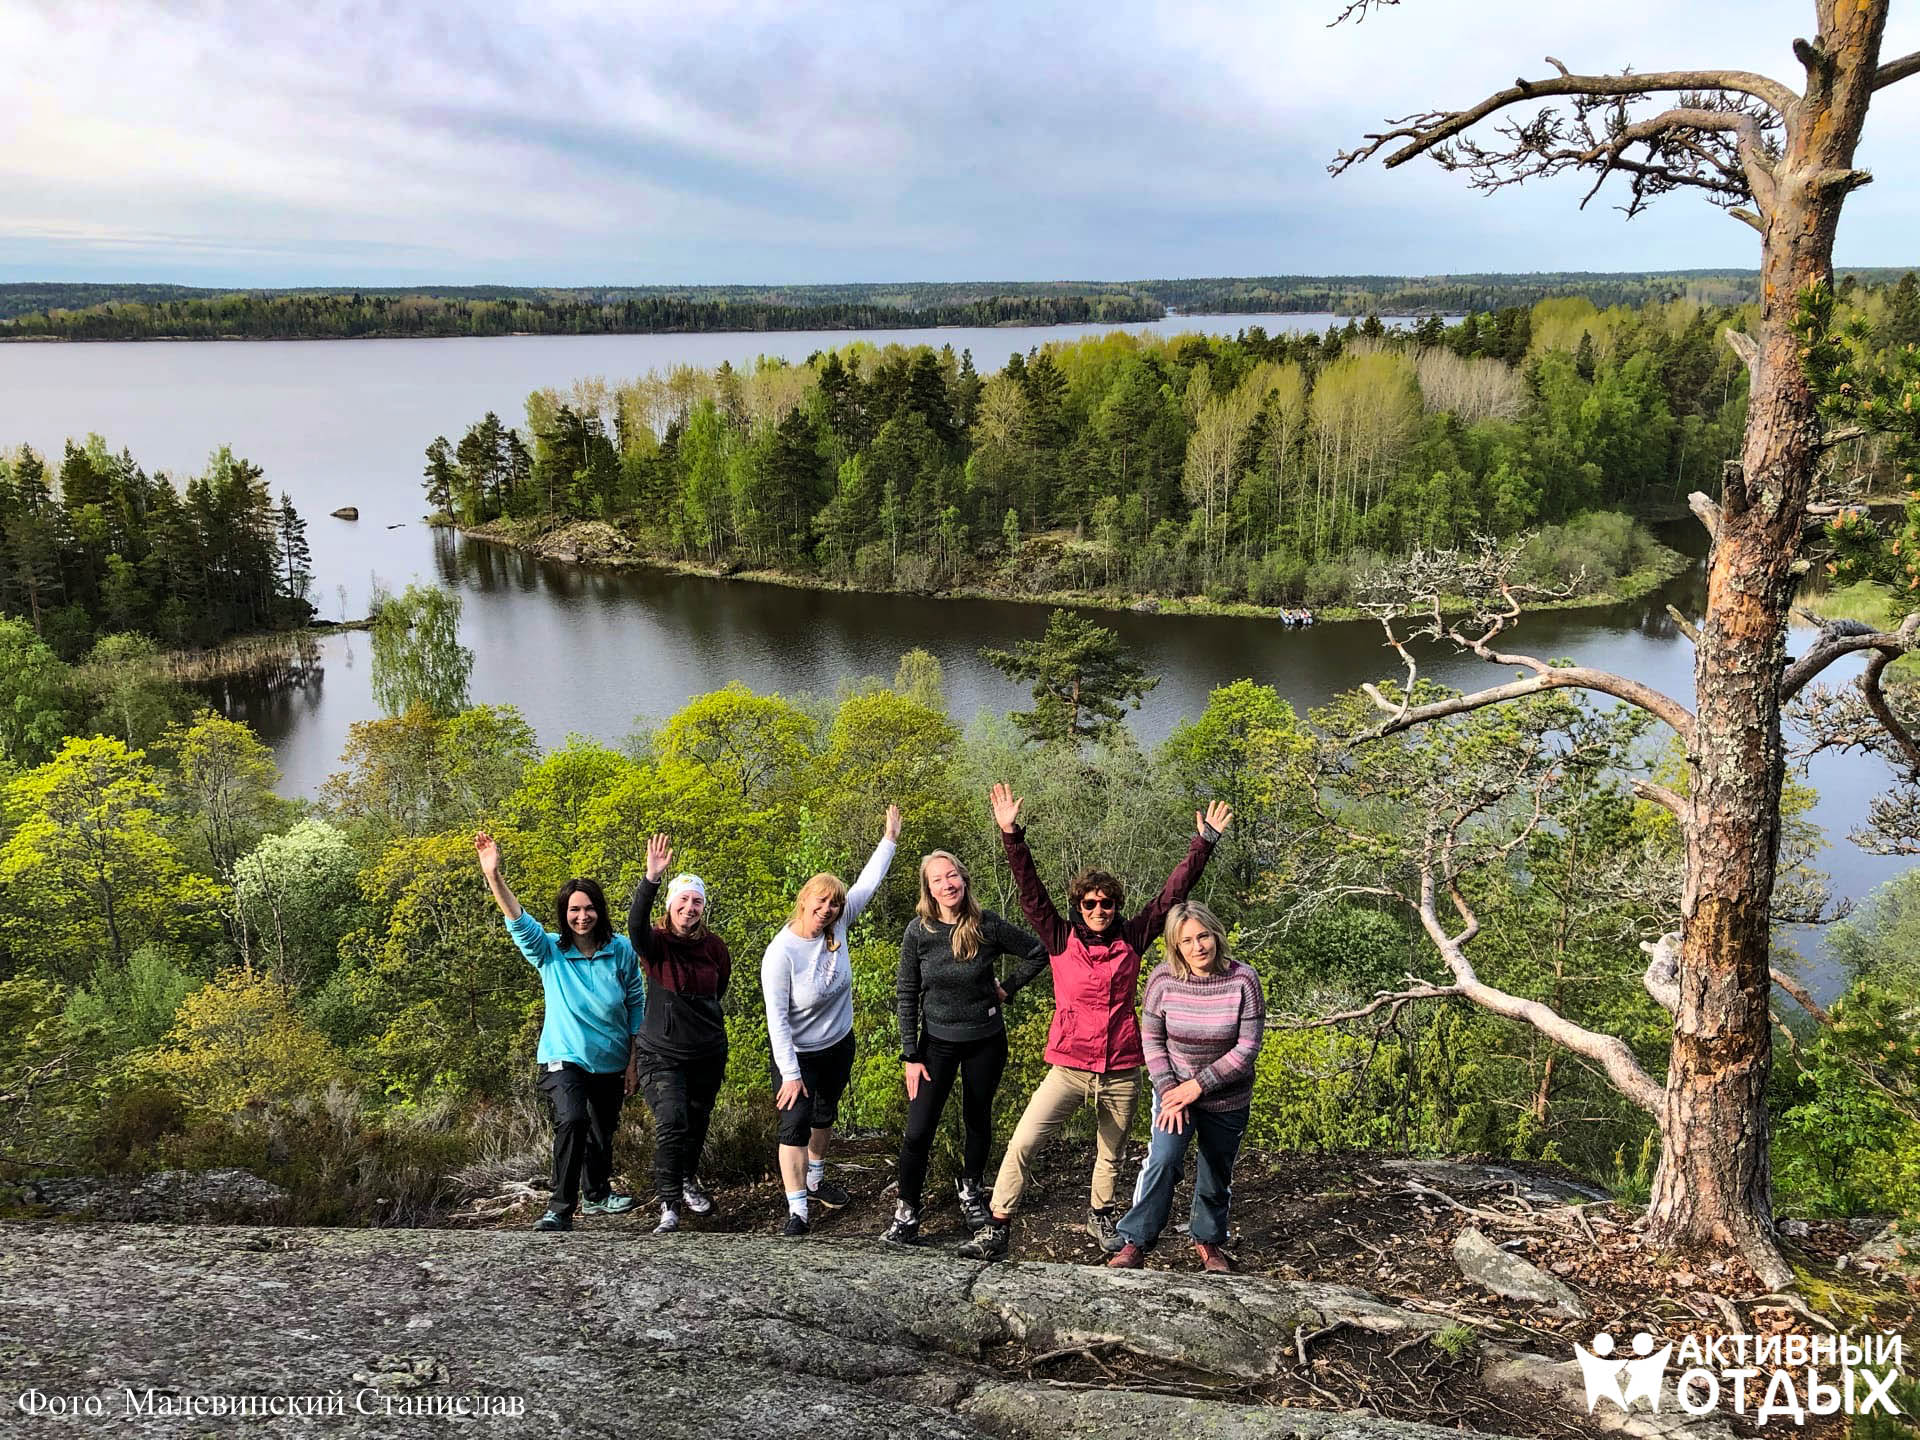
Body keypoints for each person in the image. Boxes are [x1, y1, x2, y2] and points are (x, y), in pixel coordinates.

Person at [957, 784, 1233, 1261]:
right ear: (1078, 906)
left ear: (1116, 906)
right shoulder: (1060, 937)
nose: (1099, 911)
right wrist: (1010, 834)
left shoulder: (1134, 936)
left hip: (1122, 1068)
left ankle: (1101, 1213)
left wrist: (1203, 842)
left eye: (1106, 903)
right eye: (1090, 903)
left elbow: (1173, 896)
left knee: (1112, 1153)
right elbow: (1030, 890)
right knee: (1023, 1142)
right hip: (1068, 1067)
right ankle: (998, 1222)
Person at [475, 832, 646, 1233]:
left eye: (588, 909)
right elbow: (517, 919)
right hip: (563, 1056)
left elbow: (636, 1001)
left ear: (599, 912)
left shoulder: (619, 949)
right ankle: (559, 1208)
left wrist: (634, 1060)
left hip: (612, 1056)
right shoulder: (549, 950)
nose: (581, 916)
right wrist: (494, 875)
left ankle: (598, 1193)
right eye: (573, 910)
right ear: (564, 913)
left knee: (603, 1128)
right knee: (572, 1121)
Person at [881, 848, 1050, 1246]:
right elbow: (907, 993)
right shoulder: (918, 932)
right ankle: (907, 1211)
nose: (947, 883)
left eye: (952, 875)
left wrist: (1007, 988)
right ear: (929, 888)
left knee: (978, 1120)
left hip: (985, 1041)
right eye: (938, 879)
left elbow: (1039, 951)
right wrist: (910, 1054)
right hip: (935, 1045)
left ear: (964, 879)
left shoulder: (986, 924)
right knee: (918, 1130)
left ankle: (970, 1191)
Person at [762, 804, 902, 1237]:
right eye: (821, 901)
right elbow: (777, 1020)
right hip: (797, 1055)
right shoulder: (780, 953)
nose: (828, 909)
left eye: (834, 904)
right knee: (794, 1125)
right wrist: (789, 1074)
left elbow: (868, 882)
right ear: (804, 900)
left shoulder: (838, 926)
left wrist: (890, 839)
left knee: (824, 1116)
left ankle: (817, 1181)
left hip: (837, 1043)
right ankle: (798, 1211)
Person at [1106, 900, 1265, 1274]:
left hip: (1227, 1096)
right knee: (1163, 1159)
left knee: (1215, 1170)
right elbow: (1152, 1040)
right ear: (1176, 947)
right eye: (1187, 941)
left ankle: (1207, 1241)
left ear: (1216, 935)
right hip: (1174, 1093)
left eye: (1203, 936)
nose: (1198, 947)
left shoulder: (1244, 980)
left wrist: (1200, 1085)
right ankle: (1136, 1241)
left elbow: (1248, 1047)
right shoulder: (1163, 979)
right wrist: (1169, 1090)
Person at [628, 833, 732, 1235]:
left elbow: (718, 989)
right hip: (661, 1052)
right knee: (671, 1120)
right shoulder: (656, 945)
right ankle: (669, 1203)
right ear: (670, 905)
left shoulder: (715, 947)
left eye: (697, 901)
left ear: (703, 908)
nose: (690, 908)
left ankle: (688, 1178)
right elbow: (635, 925)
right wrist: (651, 879)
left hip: (706, 1051)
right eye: (683, 901)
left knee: (696, 1120)